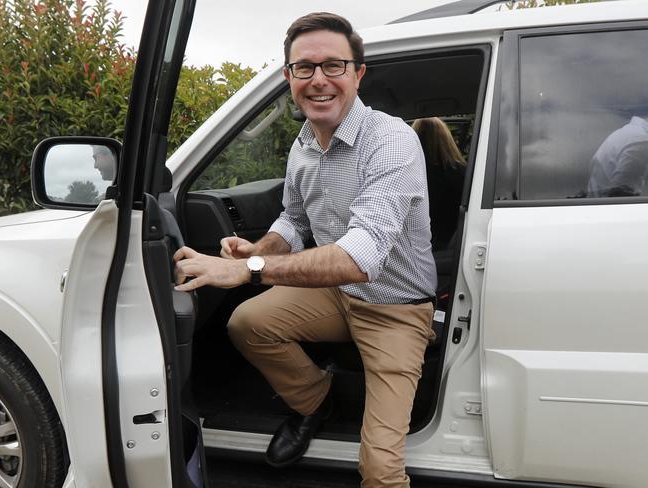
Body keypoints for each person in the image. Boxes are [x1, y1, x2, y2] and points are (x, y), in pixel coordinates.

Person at [173, 12, 437, 488]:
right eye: (304, 68)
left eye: (333, 66)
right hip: (337, 294)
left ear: (358, 73)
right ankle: (316, 402)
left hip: (396, 309)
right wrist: (259, 248)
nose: (318, 80)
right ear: (288, 77)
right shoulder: (303, 144)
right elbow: (293, 220)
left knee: (380, 472)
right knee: (247, 324)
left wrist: (250, 269)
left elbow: (358, 258)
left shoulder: (392, 141)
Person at [412, 117, 466, 250]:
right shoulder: (461, 173)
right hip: (453, 246)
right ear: (446, 139)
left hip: (419, 246)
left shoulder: (409, 174)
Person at [588, 115, 648, 197]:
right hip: (606, 207)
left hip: (596, 204)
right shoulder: (640, 142)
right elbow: (623, 197)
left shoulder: (628, 132)